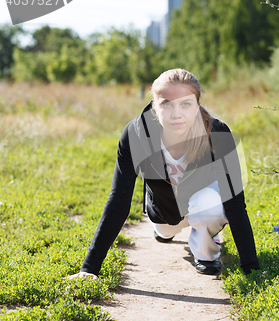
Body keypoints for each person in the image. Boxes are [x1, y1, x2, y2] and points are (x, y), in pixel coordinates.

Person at [68, 69, 260, 279]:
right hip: (164, 211)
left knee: (209, 207)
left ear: (197, 106)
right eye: (166, 103)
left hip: (202, 202)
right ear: (154, 106)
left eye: (185, 104)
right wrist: (89, 268)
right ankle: (163, 231)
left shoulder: (218, 133)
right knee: (166, 230)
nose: (176, 113)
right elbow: (119, 199)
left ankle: (205, 254)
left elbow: (234, 201)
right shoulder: (136, 134)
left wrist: (251, 267)